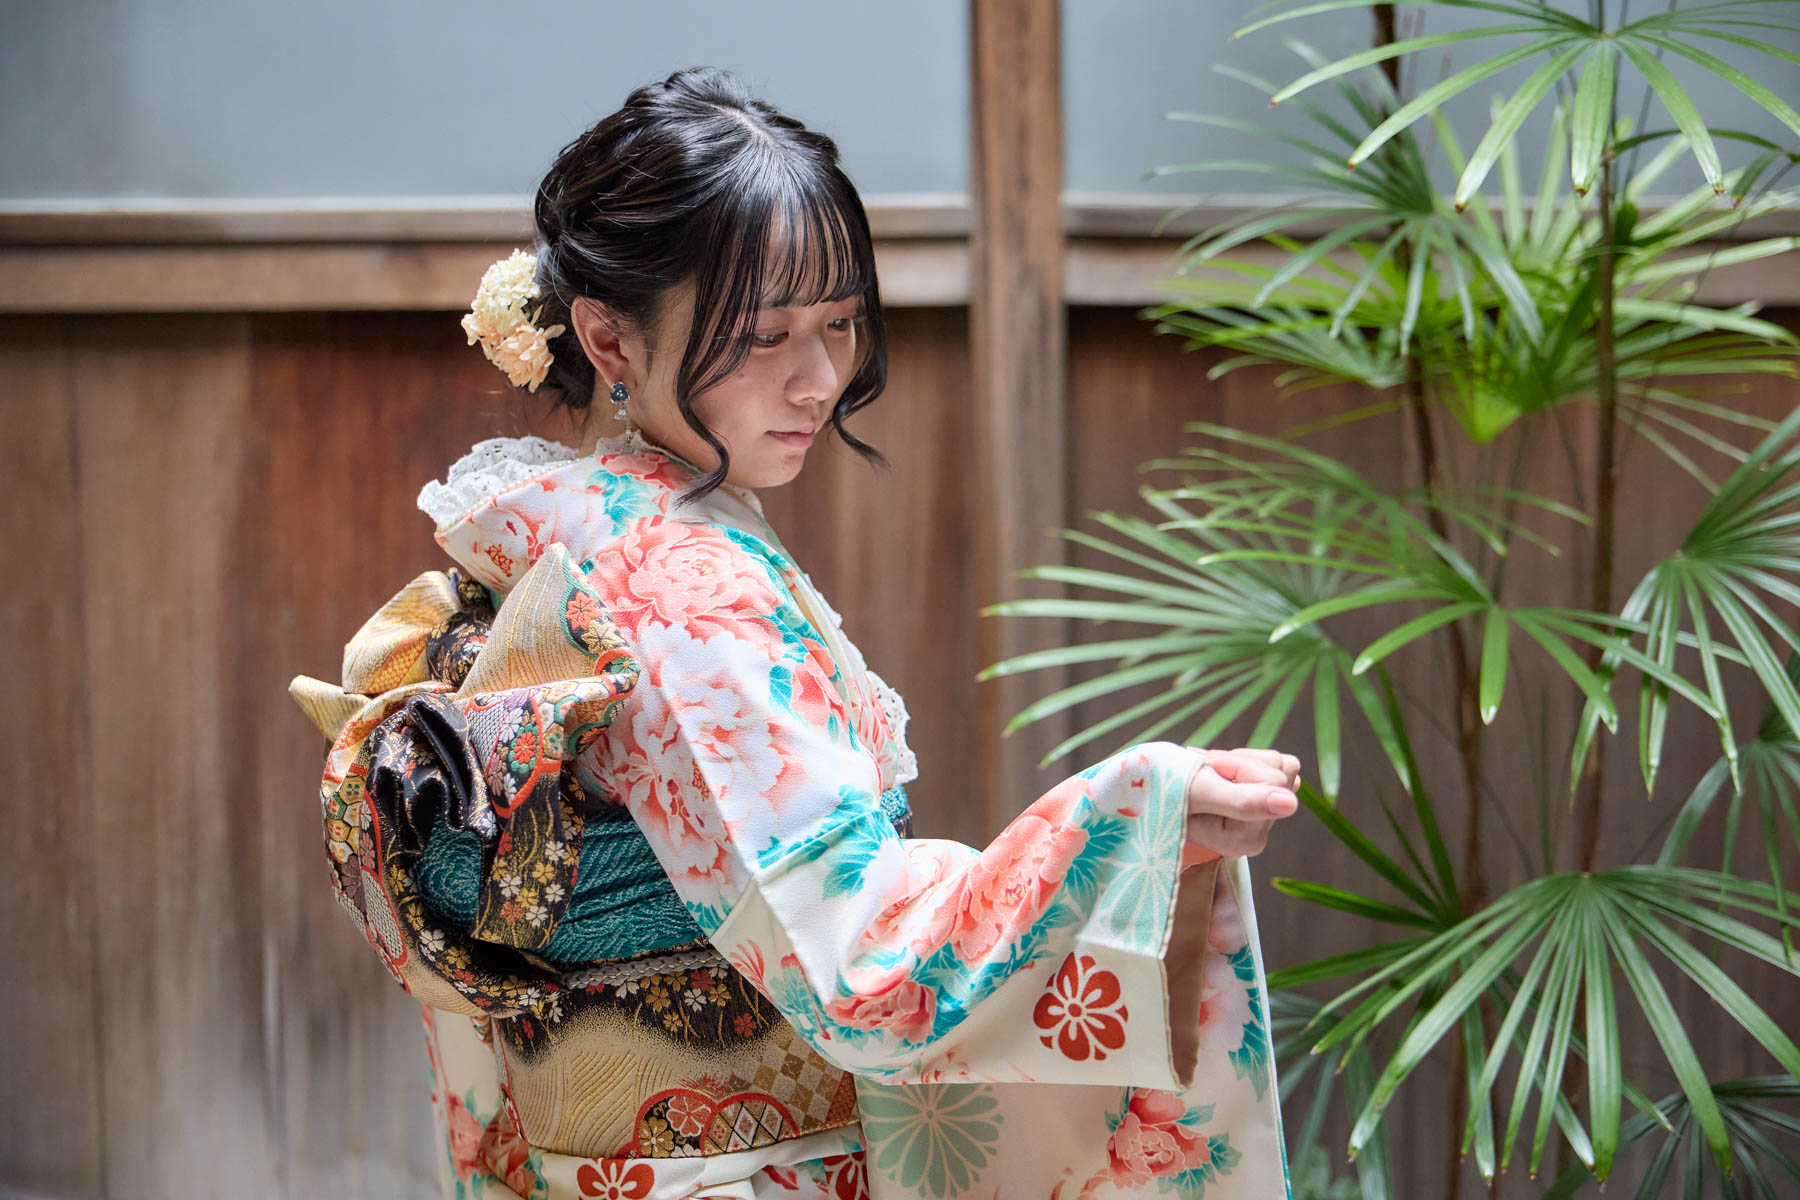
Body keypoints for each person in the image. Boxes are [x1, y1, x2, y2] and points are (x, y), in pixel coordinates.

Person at [288, 66, 1301, 1200]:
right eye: (766, 334)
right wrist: (1128, 819)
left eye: (840, 323)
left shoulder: (558, 533)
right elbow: (858, 961)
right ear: (608, 341)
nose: (820, 380)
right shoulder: (678, 583)